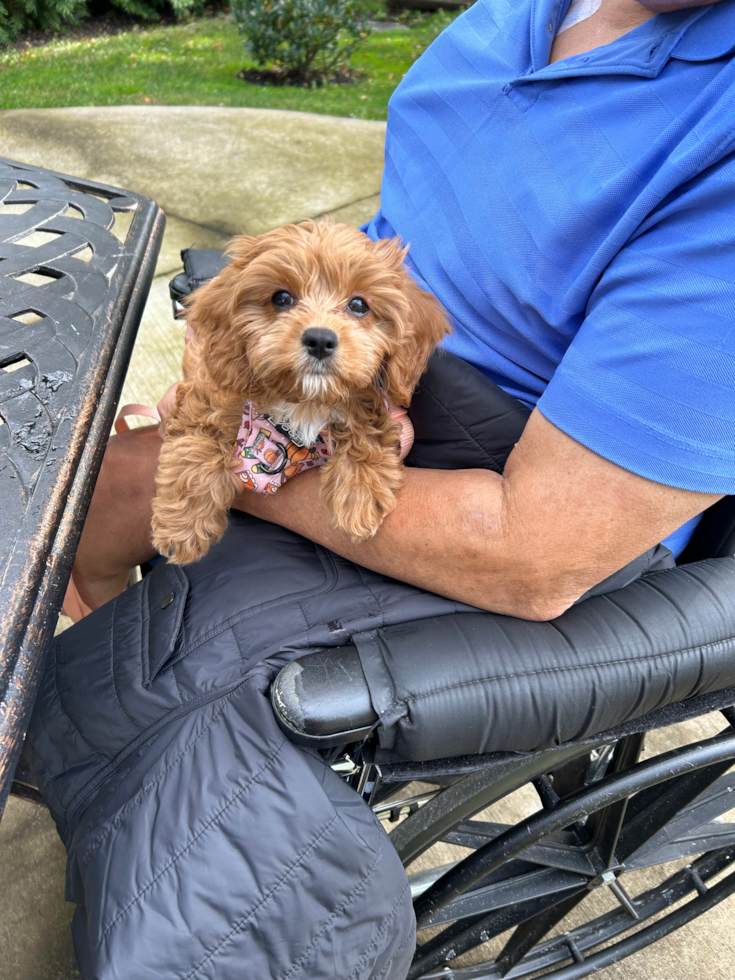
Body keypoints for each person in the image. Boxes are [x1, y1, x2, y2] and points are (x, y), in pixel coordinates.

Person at [28, 2, 735, 979]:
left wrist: (241, 466)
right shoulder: (520, 13)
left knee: (206, 798)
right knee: (69, 513)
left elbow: (538, 551)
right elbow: (401, 232)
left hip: (489, 475)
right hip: (364, 387)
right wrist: (251, 382)